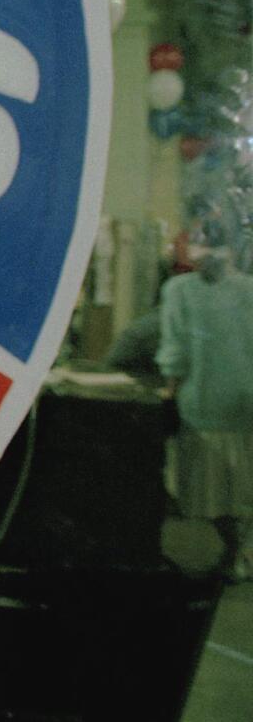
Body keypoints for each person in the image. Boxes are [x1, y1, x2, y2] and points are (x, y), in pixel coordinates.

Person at [155, 225, 253, 580]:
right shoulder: (249, 288)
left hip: (205, 403)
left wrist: (169, 388)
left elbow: (176, 351)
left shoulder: (180, 291)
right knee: (244, 483)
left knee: (211, 489)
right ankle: (243, 551)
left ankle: (233, 555)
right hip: (247, 402)